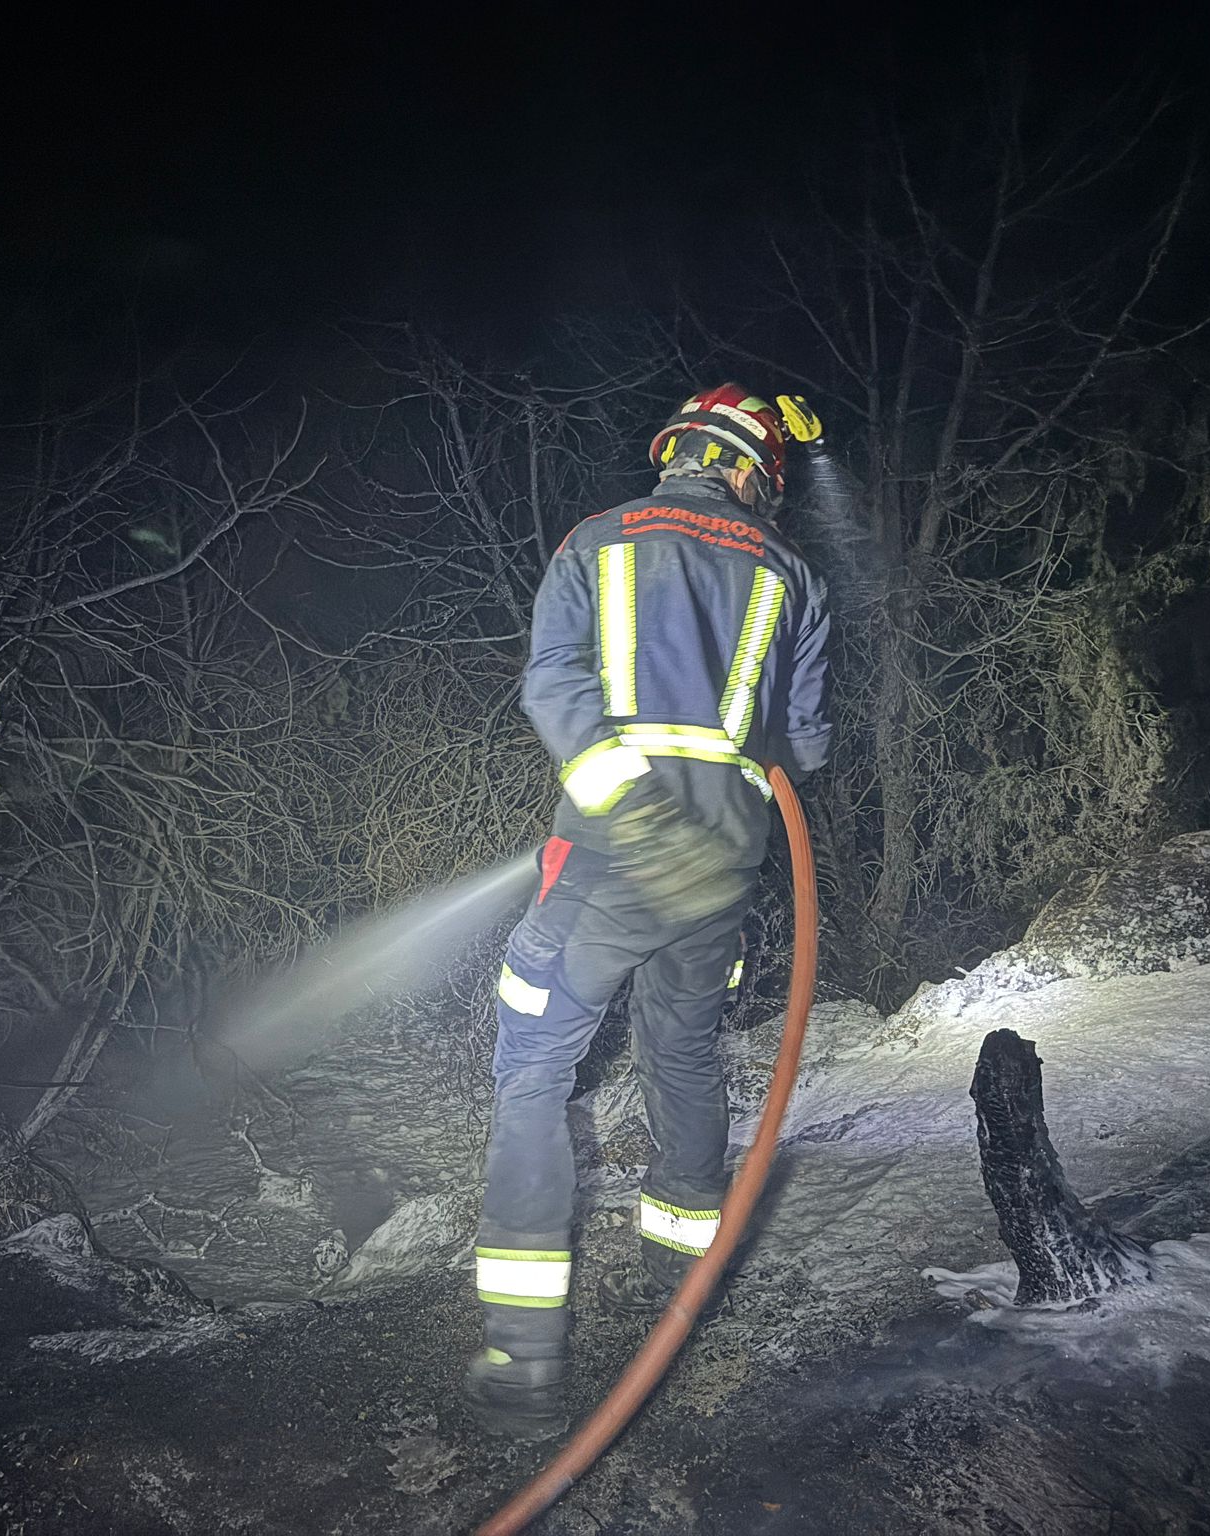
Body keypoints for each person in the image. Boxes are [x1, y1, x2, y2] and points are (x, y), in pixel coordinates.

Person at [461, 384, 838, 1438]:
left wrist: (631, 794)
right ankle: (679, 1304)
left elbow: (550, 689)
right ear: (751, 468)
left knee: (532, 1065)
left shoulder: (595, 540)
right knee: (681, 1057)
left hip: (608, 853)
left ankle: (521, 1361)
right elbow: (802, 747)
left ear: (676, 451)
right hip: (724, 863)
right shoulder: (790, 574)